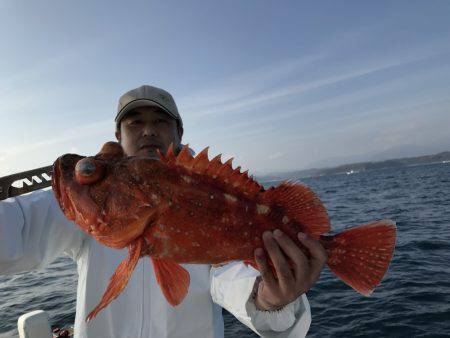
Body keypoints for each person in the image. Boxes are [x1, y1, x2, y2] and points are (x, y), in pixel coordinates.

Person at [0, 85, 328, 338]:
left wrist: (270, 298)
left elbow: (232, 276)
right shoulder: (92, 195)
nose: (148, 130)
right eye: (135, 123)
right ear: (119, 136)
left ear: (179, 132)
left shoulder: (207, 194)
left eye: (160, 121)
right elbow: (21, 227)